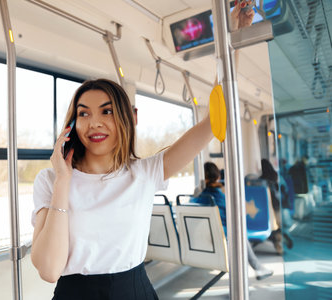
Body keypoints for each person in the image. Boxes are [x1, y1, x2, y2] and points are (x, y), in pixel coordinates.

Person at [30, 6, 255, 299]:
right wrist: (63, 181)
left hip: (133, 290)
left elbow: (215, 119)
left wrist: (232, 38)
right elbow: (49, 270)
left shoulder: (145, 172)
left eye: (106, 111)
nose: (94, 122)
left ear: (125, 118)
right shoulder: (50, 181)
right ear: (72, 124)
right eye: (83, 114)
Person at [194, 162, 274, 280]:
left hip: (200, 239)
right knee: (239, 233)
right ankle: (256, 269)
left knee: (237, 234)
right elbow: (232, 216)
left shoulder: (198, 197)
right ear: (218, 177)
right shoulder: (219, 196)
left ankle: (258, 268)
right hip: (218, 237)